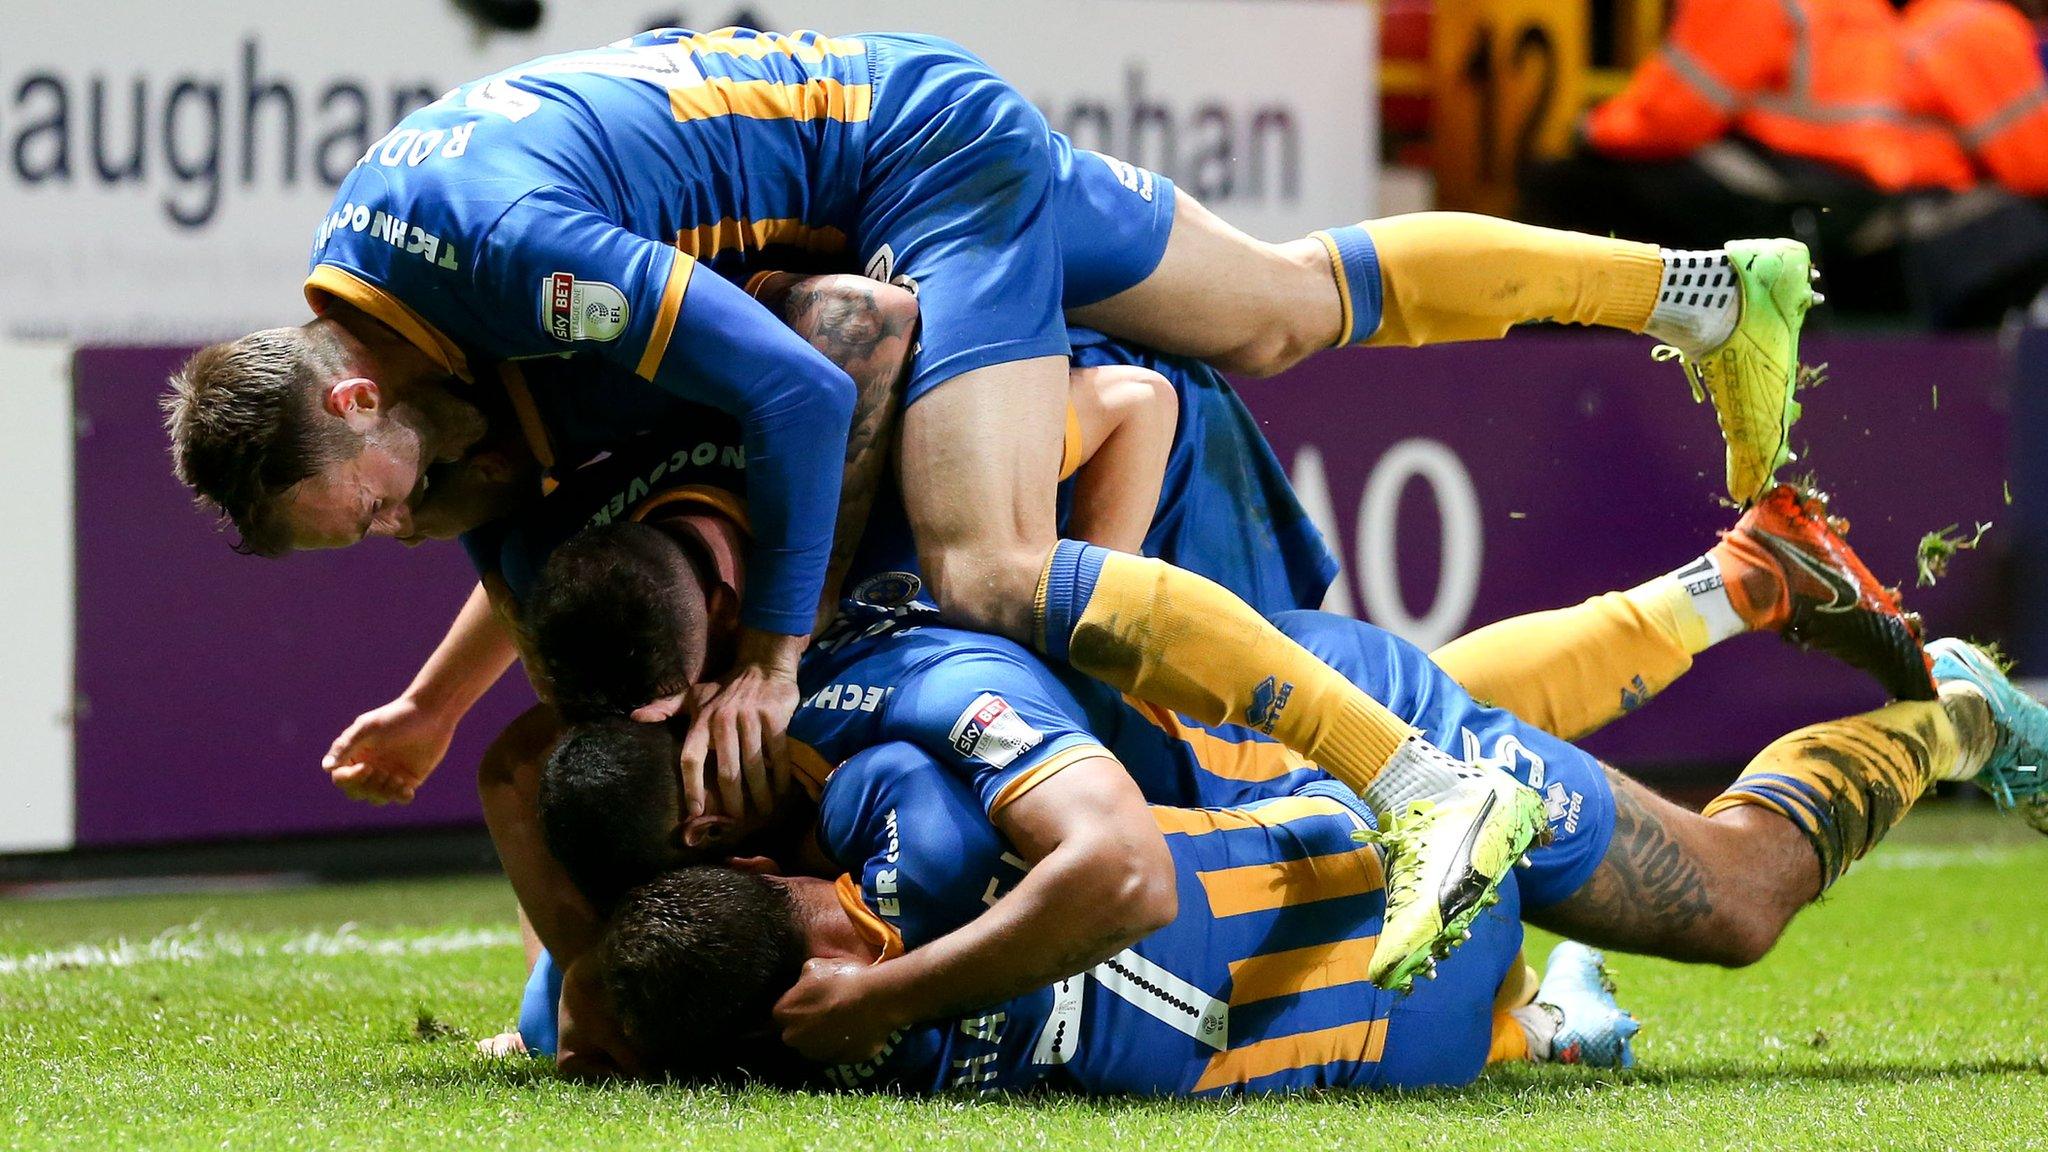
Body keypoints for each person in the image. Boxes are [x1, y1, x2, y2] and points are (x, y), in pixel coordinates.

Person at [161, 26, 1824, 983]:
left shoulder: (504, 258)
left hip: (915, 165)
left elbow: (805, 387)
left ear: (356, 395)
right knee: (1282, 309)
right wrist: (433, 703)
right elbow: (533, 525)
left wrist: (774, 655)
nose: (388, 526)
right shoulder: (410, 324)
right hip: (919, 117)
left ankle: (1415, 790)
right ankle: (1706, 293)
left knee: (987, 563)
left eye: (360, 503)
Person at [515, 478, 2044, 1063]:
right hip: (1252, 744)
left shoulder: (911, 701)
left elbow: (1117, 872)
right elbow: (527, 807)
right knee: (1464, 695)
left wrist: (890, 1001)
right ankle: (1741, 584)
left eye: (706, 810)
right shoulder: (772, 845)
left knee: (1728, 904)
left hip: (1329, 737)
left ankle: (1958, 714)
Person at [550, 748, 1639, 1092]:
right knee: (1173, 771)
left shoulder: (845, 1067)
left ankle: (1543, 1027)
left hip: (1428, 1057)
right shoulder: (906, 816)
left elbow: (672, 1024)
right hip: (1413, 866)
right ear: (753, 861)